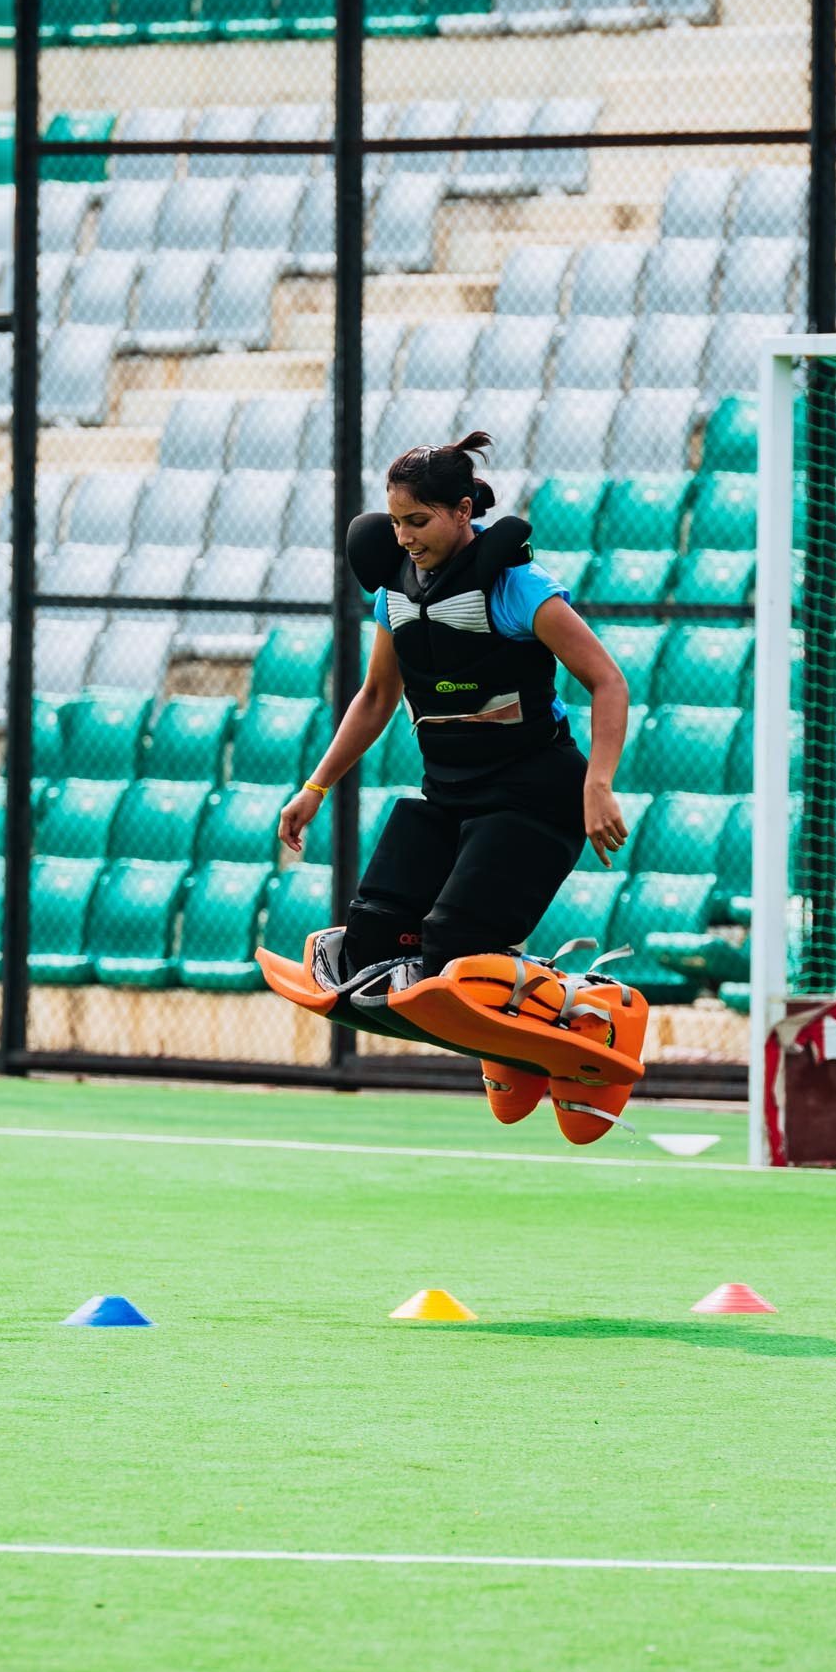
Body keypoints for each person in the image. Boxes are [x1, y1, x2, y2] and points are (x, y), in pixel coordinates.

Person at [260, 432, 649, 1141]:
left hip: (536, 794)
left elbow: (607, 680)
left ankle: (598, 1012)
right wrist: (314, 787)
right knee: (373, 938)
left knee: (448, 948)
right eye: (396, 521)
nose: (404, 537)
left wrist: (599, 782)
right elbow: (376, 698)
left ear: (464, 510)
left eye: (420, 520)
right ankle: (512, 1045)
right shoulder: (394, 596)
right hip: (451, 794)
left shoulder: (517, 588)